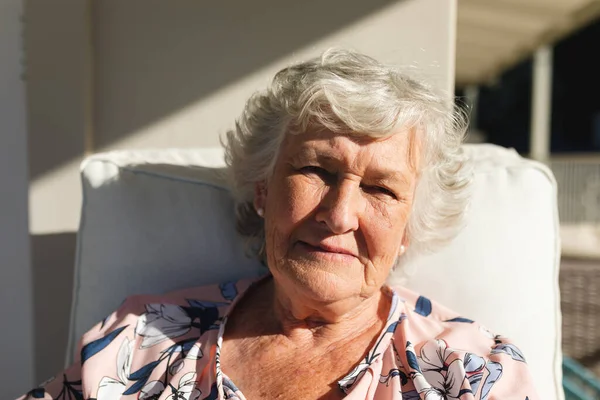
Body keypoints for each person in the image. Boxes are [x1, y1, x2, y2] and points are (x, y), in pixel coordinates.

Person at [20, 49, 538, 400]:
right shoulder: (144, 341)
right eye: (316, 170)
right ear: (263, 189)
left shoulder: (471, 375)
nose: (338, 214)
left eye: (380, 189)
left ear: (407, 228)